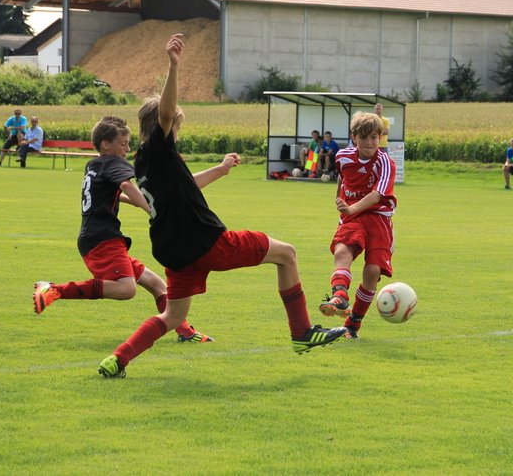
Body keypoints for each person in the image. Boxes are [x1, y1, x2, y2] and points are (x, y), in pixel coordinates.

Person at [96, 34, 346, 378]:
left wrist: (221, 169)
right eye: (176, 125)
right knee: (286, 254)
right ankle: (302, 333)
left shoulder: (145, 162)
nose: (177, 130)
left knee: (173, 316)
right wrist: (173, 65)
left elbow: (186, 188)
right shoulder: (158, 147)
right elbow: (166, 111)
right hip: (206, 241)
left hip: (175, 251)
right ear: (164, 127)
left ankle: (118, 358)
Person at [32, 116, 211, 343]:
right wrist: (152, 210)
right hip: (103, 239)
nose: (127, 149)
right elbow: (127, 185)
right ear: (106, 144)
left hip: (97, 237)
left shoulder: (94, 165)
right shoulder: (114, 162)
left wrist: (134, 201)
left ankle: (185, 332)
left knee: (156, 284)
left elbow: (112, 194)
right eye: (123, 143)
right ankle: (54, 289)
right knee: (126, 289)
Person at [318, 111, 397, 339]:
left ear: (380, 137)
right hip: (352, 217)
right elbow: (343, 178)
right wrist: (340, 200)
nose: (369, 142)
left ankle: (353, 323)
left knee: (372, 272)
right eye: (364, 137)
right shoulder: (342, 156)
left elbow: (377, 195)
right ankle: (339, 295)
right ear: (354, 137)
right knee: (343, 250)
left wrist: (352, 208)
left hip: (379, 218)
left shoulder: (385, 162)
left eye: (374, 137)